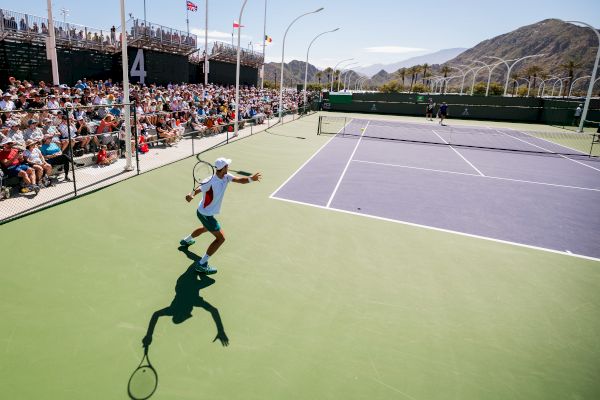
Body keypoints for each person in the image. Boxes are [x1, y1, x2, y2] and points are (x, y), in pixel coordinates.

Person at [180, 157, 262, 274]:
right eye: (227, 165)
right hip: (205, 214)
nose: (228, 167)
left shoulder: (226, 176)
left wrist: (251, 179)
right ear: (223, 168)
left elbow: (239, 180)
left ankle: (186, 240)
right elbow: (199, 188)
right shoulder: (210, 181)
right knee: (221, 238)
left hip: (203, 212)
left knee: (205, 228)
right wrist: (191, 195)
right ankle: (202, 264)